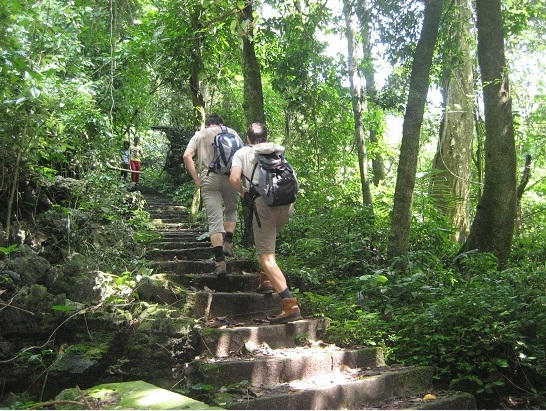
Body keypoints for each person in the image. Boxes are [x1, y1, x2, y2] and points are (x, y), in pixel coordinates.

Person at [229, 122, 302, 324]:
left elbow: (234, 179)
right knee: (268, 246)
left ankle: (290, 305)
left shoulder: (242, 153)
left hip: (264, 205)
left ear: (248, 138)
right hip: (287, 203)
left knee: (266, 258)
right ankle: (266, 280)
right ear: (266, 137)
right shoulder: (275, 151)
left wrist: (244, 192)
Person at [183, 114, 243, 276]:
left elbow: (187, 155)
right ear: (221, 123)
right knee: (231, 209)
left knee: (215, 219)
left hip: (209, 178)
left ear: (207, 124)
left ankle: (219, 261)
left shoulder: (200, 134)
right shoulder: (233, 132)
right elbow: (243, 156)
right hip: (231, 177)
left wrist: (196, 179)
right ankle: (228, 242)